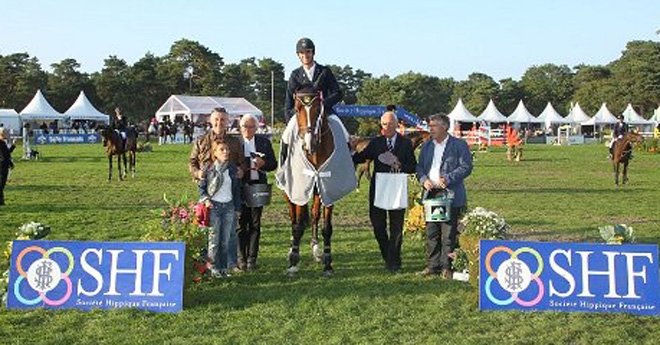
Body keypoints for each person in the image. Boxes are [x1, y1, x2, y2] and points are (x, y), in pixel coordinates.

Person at [352, 111, 417, 273]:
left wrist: (399, 165)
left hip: (397, 187)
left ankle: (394, 262)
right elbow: (359, 158)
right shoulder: (376, 143)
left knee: (396, 227)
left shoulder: (405, 143)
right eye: (384, 124)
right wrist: (352, 149)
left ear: (397, 124)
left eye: (390, 124)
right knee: (378, 226)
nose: (387, 127)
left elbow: (413, 167)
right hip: (378, 189)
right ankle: (389, 256)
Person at [416, 113, 473, 278]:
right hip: (431, 194)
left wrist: (448, 179)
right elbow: (419, 167)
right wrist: (424, 179)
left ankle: (447, 267)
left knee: (448, 233)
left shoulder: (459, 145)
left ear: (444, 127)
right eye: (430, 126)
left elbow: (466, 166)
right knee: (432, 232)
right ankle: (432, 266)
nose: (430, 129)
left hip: (450, 194)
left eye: (434, 126)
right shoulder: (427, 146)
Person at [236, 114, 277, 271]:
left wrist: (264, 163)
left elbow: (273, 164)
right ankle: (241, 259)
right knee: (240, 224)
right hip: (239, 187)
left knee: (255, 223)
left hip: (258, 186)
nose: (248, 129)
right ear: (240, 127)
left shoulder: (263, 142)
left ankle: (252, 259)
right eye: (245, 126)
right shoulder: (235, 143)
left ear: (256, 128)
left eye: (252, 126)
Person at [198, 141, 242, 278]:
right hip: (214, 207)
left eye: (227, 149)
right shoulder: (208, 168)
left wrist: (237, 208)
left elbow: (236, 190)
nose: (225, 152)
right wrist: (205, 199)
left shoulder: (232, 169)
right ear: (215, 153)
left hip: (228, 207)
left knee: (226, 240)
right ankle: (213, 268)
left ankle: (223, 268)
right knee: (214, 240)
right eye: (221, 150)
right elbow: (201, 188)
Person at [284, 37, 343, 123]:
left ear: (313, 52)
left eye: (308, 51)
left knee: (339, 125)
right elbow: (289, 103)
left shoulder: (324, 71)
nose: (305, 55)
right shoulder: (295, 75)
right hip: (301, 115)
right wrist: (290, 120)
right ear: (298, 55)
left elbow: (338, 93)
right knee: (287, 134)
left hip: (324, 112)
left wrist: (322, 104)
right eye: (302, 52)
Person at [0, 127, 16, 206]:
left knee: (2, 184)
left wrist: (12, 146)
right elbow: (5, 156)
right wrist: (9, 163)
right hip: (2, 166)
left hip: (3, 164)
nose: (7, 134)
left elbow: (6, 154)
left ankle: (1, 201)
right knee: (1, 184)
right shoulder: (1, 143)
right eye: (6, 132)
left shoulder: (2, 142)